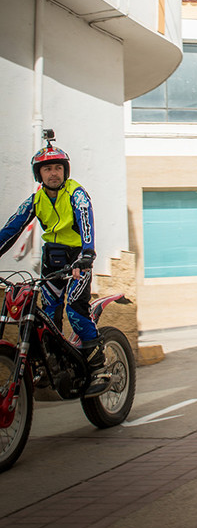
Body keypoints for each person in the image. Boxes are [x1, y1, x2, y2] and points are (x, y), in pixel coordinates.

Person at [0, 136, 107, 394]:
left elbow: (86, 221)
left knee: (75, 309)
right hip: (52, 261)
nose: (53, 173)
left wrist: (88, 253)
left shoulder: (76, 193)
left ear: (65, 171)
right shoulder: (36, 200)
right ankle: (55, 365)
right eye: (47, 169)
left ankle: (98, 369)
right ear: (39, 174)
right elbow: (12, 228)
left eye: (58, 168)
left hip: (78, 259)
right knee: (47, 315)